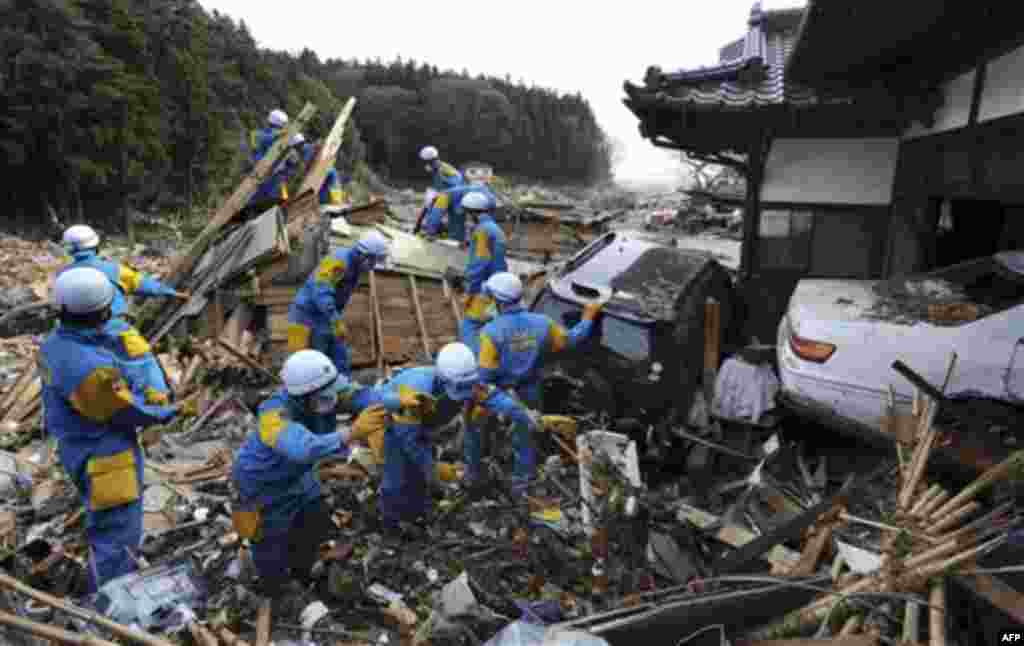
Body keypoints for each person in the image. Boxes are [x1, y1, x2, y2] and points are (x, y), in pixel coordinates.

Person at [39, 268, 188, 592]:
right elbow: (125, 411)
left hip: (77, 445)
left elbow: (98, 342)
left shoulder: (55, 344)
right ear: (105, 310)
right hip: (107, 456)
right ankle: (109, 607)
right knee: (117, 535)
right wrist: (165, 411)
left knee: (104, 521)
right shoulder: (91, 372)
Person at [232, 350, 389, 598]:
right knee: (269, 542)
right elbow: (302, 449)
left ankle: (304, 572)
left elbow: (361, 395)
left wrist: (394, 400)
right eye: (326, 395)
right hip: (261, 484)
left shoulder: (324, 392)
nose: (334, 398)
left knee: (314, 518)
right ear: (304, 397)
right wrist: (352, 432)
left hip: (298, 476)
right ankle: (276, 591)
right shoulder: (273, 414)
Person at [375, 343, 537, 531]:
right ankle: (391, 526)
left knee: (419, 480)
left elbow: (494, 398)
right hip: (397, 428)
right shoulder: (415, 391)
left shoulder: (466, 381)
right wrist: (433, 471)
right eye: (460, 389)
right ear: (443, 378)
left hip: (426, 427)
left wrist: (526, 416)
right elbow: (410, 441)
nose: (463, 396)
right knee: (398, 478)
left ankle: (417, 516)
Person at [477, 272, 602, 495]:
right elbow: (570, 340)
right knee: (525, 439)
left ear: (498, 301)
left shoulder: (490, 333)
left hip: (501, 393)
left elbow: (484, 377)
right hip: (531, 391)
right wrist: (588, 317)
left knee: (483, 428)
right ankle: (522, 486)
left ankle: (483, 466)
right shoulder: (543, 324)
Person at [287, 231, 391, 376]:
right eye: (374, 261)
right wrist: (335, 318)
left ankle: (346, 390)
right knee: (313, 366)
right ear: (364, 256)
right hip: (306, 316)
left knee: (340, 360)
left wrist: (335, 318)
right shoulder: (338, 261)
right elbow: (321, 290)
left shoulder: (355, 267)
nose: (373, 266)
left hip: (326, 317)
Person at [58, 225, 182, 321]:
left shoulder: (62, 275)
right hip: (112, 327)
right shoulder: (113, 270)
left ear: (69, 250)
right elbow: (143, 284)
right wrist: (172, 292)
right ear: (96, 245)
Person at [460, 190, 506, 356]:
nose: (466, 218)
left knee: (469, 325)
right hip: (500, 286)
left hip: (486, 288)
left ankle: (474, 363)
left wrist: (469, 291)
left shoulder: (482, 231)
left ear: (473, 213)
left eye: (467, 213)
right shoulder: (495, 228)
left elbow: (480, 261)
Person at [246, 109, 292, 213]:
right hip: (275, 179)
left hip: (258, 178)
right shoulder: (281, 137)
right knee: (283, 204)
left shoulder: (256, 134)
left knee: (253, 205)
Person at [422, 183, 496, 245]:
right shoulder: (489, 198)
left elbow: (435, 214)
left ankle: (459, 241)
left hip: (464, 201)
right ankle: (460, 242)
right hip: (463, 200)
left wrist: (430, 232)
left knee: (457, 226)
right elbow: (436, 214)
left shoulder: (443, 197)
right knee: (458, 227)